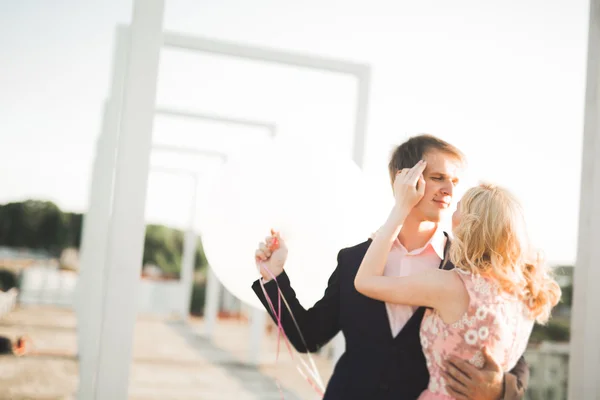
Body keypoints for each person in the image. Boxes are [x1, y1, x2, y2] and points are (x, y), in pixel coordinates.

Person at [252, 134, 530, 399]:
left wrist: (500, 390)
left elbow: (508, 347)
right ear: (404, 179)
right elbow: (308, 336)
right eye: (438, 178)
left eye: (455, 181)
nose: (450, 190)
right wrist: (274, 278)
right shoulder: (354, 261)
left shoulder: (469, 267)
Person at [354, 166, 561, 399]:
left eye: (458, 208)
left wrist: (399, 211)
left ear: (470, 225)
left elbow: (365, 281)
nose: (451, 211)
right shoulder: (527, 291)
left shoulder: (448, 285)